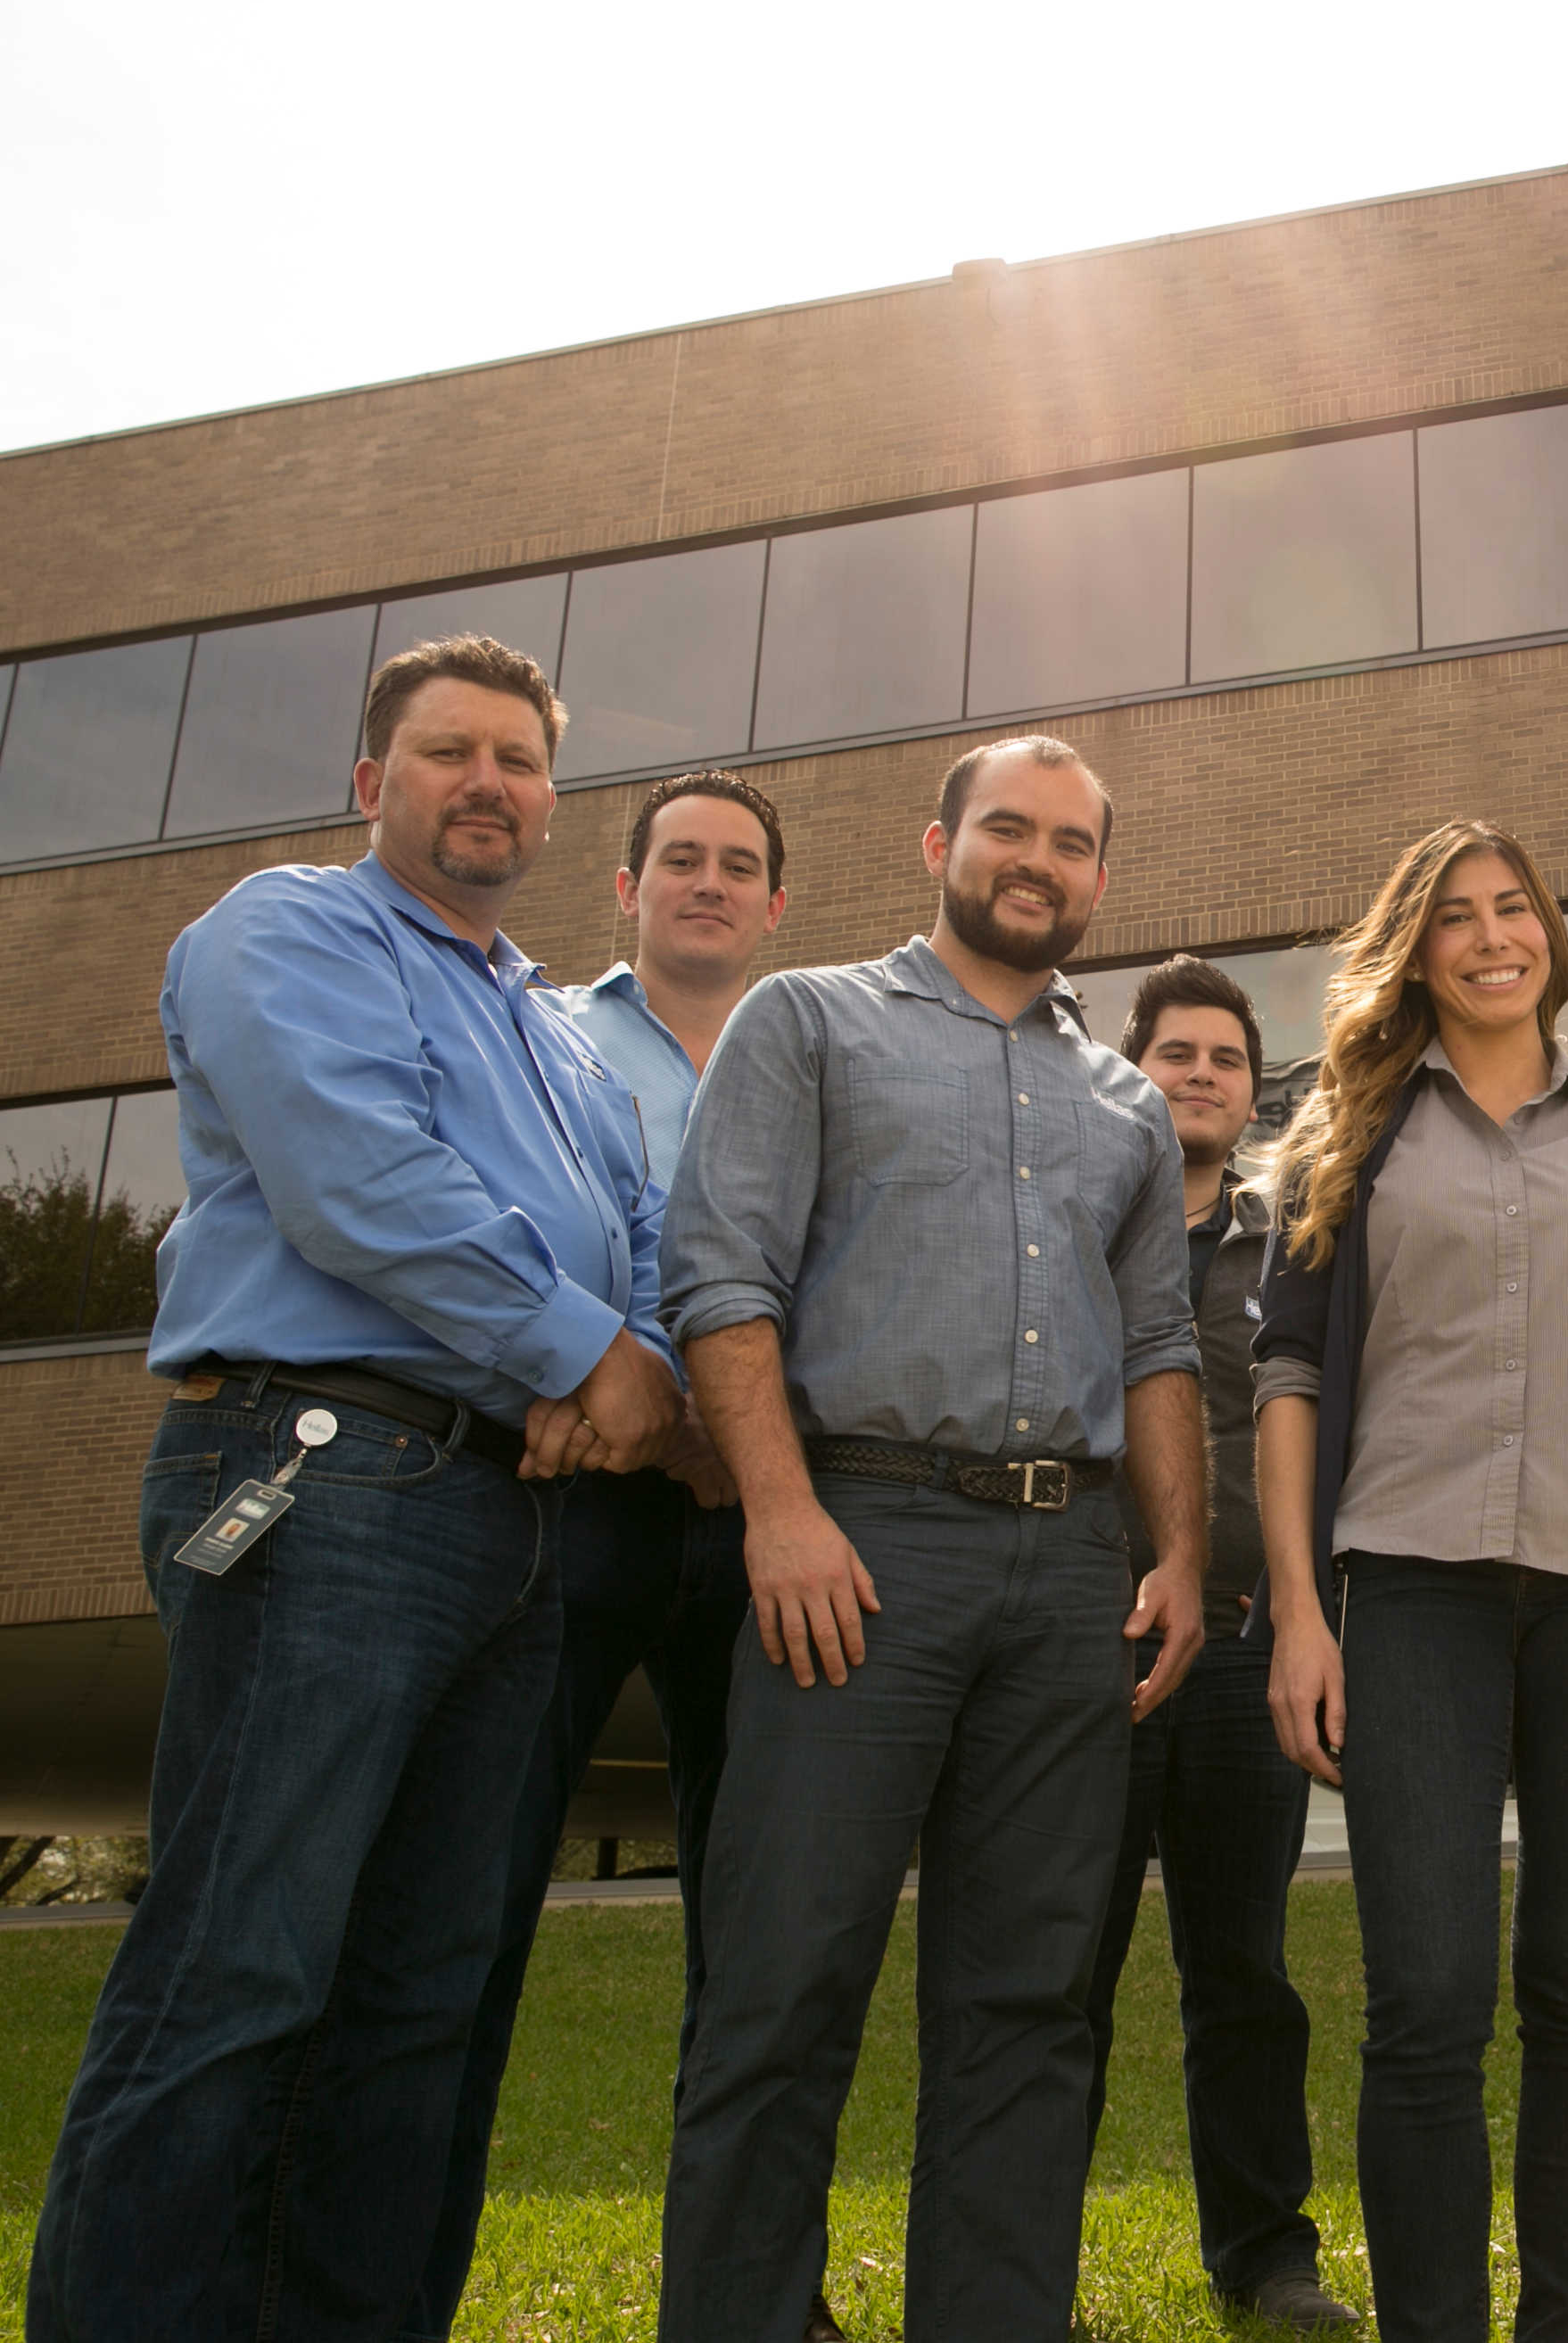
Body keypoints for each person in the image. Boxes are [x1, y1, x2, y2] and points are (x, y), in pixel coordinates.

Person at [26, 632, 683, 2341]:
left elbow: (649, 1260)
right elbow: (360, 1183)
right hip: (324, 1483)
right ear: (369, 780)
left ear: (550, 796)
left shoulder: (565, 1042)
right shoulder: (288, 932)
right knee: (243, 1968)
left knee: (420, 2004)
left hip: (511, 1525)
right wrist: (577, 1354)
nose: (488, 783)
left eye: (518, 760)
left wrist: (632, 1374)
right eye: (449, 752)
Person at [655, 734, 1210, 2342]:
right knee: (783, 1983)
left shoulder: (1121, 1099)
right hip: (860, 1549)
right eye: (1007, 830)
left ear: (1101, 877)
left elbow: (1162, 1344)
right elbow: (722, 1280)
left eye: (1071, 843)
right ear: (938, 843)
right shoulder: (808, 1020)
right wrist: (778, 1512)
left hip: (1068, 1576)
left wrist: (1177, 1558)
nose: (1037, 862)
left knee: (1029, 2006)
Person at [1252, 821, 1568, 2343]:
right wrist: (1295, 1615)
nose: (1486, 938)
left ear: (1550, 932)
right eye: (1452, 917)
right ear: (1415, 949)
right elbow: (1283, 1380)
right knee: (1426, 2005)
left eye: (1511, 908)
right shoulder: (1349, 1130)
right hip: (1413, 1594)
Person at [415, 768, 788, 2340]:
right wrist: (635, 1402)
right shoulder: (540, 1035)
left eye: (739, 866)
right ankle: (394, 2280)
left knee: (768, 1928)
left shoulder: (817, 1053)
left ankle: (751, 2295)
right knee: (466, 1906)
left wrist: (734, 1448)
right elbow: (522, 1235)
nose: (707, 883)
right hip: (569, 1501)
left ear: (776, 906)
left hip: (764, 1523)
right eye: (679, 859)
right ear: (624, 887)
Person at [1080, 954, 1353, 2331]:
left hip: (1244, 1650)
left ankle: (1264, 2254)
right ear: (1131, 1069)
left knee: (1240, 1969)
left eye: (1224, 1061)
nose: (1198, 1075)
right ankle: (1015, 2253)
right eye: (1174, 1052)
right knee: (1055, 1969)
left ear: (1253, 1095)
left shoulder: (1289, 1244)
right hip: (1080, 1652)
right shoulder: (1071, 1219)